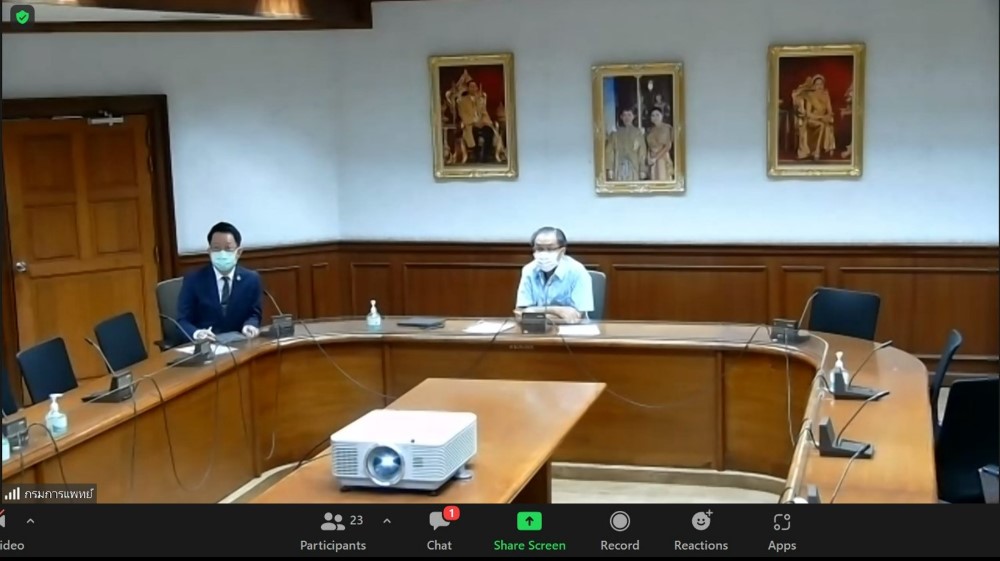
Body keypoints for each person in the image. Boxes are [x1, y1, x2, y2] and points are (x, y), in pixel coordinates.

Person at [176, 222, 263, 341]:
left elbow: (254, 314)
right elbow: (182, 320)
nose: (222, 254)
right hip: (206, 345)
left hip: (240, 343)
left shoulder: (251, 279)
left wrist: (250, 325)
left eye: (228, 248)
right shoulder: (193, 279)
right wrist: (197, 333)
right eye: (216, 248)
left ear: (238, 252)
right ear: (209, 251)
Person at [514, 227, 594, 324]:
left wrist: (533, 311)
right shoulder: (529, 270)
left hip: (573, 330)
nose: (544, 254)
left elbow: (575, 317)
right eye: (539, 249)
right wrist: (557, 310)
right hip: (537, 328)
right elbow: (520, 313)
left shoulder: (578, 271)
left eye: (550, 249)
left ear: (562, 251)